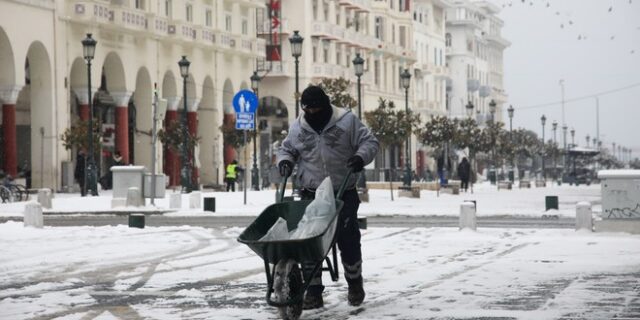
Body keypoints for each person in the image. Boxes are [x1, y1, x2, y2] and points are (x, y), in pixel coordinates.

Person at [277, 85, 379, 309]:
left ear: (325, 105)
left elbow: (370, 142)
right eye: (308, 110)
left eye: (317, 110)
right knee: (308, 240)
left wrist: (360, 158)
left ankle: (354, 283)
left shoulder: (347, 121)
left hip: (342, 190)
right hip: (310, 191)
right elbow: (287, 149)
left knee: (346, 234)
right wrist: (285, 161)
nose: (313, 114)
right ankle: (313, 291)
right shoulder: (299, 126)